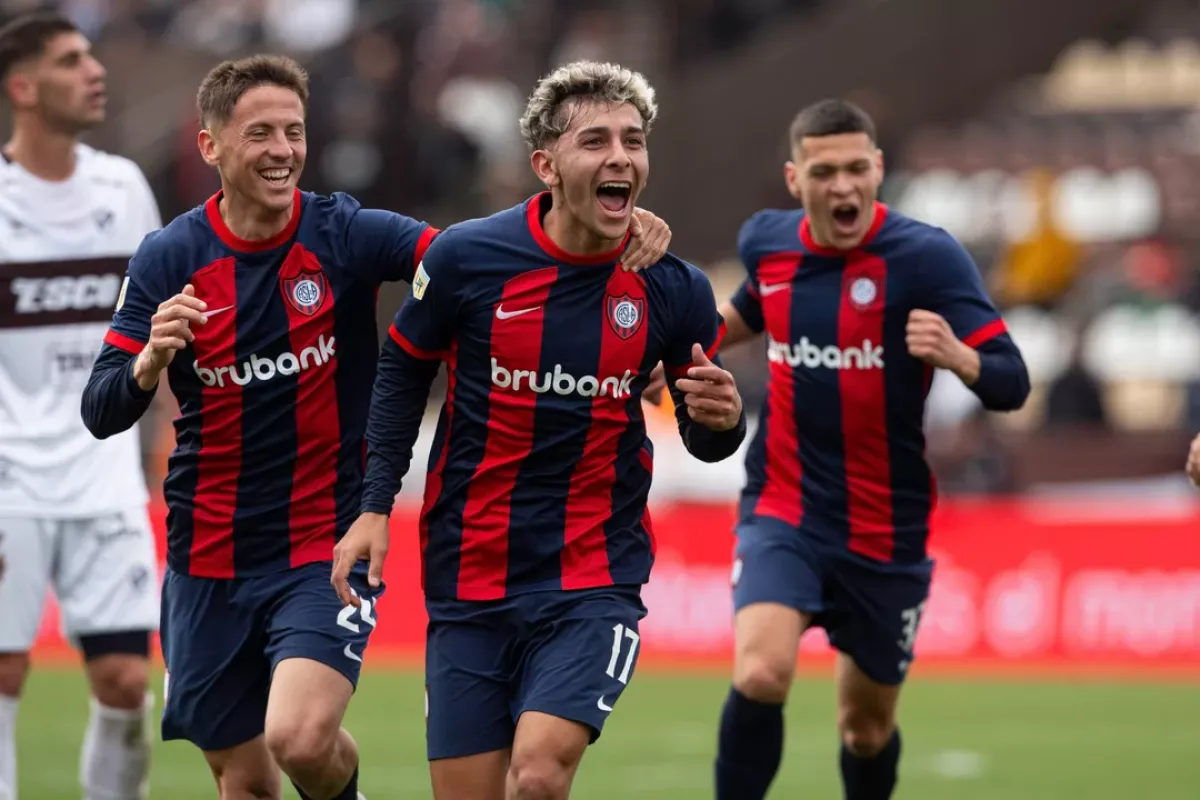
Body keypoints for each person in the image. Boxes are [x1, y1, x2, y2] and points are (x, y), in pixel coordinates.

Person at [80, 54, 671, 800]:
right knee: (246, 780)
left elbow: (478, 267)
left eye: (293, 131)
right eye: (259, 133)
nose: (282, 150)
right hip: (207, 554)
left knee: (300, 735)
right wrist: (147, 363)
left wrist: (614, 250)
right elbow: (101, 409)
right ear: (210, 148)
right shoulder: (171, 259)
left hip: (323, 542)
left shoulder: (344, 232)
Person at [330, 60, 747, 800]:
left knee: (538, 776)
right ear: (546, 166)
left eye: (634, 140)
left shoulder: (671, 287)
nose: (620, 155)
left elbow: (706, 429)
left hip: (592, 576)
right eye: (596, 141)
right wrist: (373, 505)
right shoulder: (469, 259)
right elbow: (401, 371)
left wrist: (725, 419)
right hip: (468, 575)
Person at [709, 99, 1030, 800]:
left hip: (885, 527)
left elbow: (1013, 381)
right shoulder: (769, 241)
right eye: (825, 172)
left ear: (879, 169)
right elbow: (750, 309)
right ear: (796, 179)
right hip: (783, 506)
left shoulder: (926, 256)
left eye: (857, 168)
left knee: (865, 729)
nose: (844, 187)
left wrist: (959, 357)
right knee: (762, 673)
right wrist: (680, 353)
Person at [0, 13, 162, 799]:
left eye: (93, 55)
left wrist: (167, 434)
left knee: (128, 680)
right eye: (71, 61)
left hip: (104, 469)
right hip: (6, 480)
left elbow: (166, 323)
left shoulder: (122, 188)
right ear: (22, 88)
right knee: (3, 672)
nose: (94, 70)